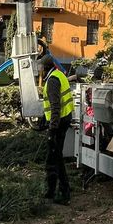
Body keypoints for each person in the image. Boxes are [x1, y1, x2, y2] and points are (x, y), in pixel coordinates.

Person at [40, 54, 73, 204]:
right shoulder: (59, 75)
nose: (39, 69)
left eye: (40, 67)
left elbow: (55, 107)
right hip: (64, 120)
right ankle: (52, 190)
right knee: (54, 156)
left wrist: (52, 130)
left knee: (55, 157)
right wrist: (44, 119)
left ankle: (64, 193)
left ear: (45, 68)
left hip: (58, 124)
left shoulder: (52, 80)